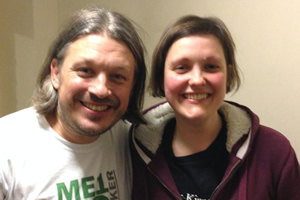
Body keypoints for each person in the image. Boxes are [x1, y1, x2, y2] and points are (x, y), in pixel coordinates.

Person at [130, 15, 300, 200]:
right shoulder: (132, 152)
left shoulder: (274, 152)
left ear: (229, 73)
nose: (196, 80)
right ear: (161, 75)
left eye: (211, 66)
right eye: (181, 67)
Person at [0, 6, 147, 200]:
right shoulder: (7, 147)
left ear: (133, 84)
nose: (100, 90)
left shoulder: (132, 142)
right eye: (85, 70)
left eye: (118, 76)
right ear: (56, 73)